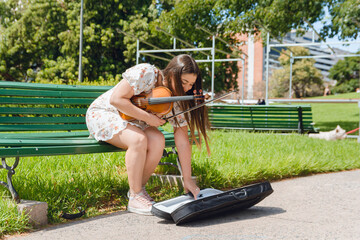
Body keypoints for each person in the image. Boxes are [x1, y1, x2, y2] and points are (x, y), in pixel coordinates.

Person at [86, 54, 210, 215]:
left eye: (191, 84)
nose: (186, 88)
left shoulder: (177, 100)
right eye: (184, 82)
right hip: (105, 113)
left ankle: (137, 191)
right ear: (172, 73)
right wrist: (148, 118)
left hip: (135, 122)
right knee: (138, 139)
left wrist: (187, 179)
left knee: (158, 140)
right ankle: (135, 197)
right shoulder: (147, 73)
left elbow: (182, 140)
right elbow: (117, 99)